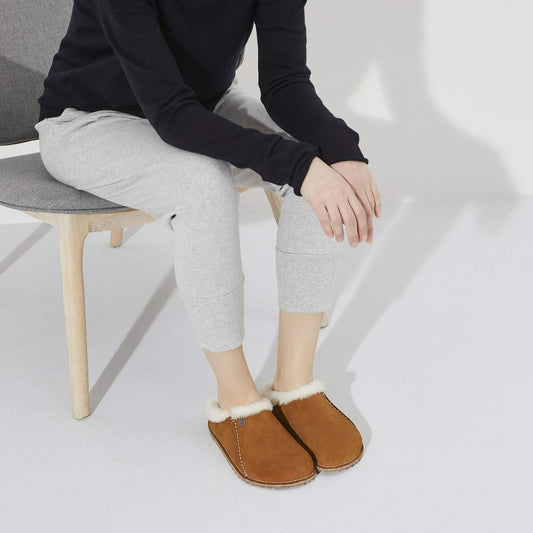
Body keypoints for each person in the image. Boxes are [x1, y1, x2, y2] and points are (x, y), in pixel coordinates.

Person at [35, 0, 382, 488]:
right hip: (89, 122)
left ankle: (295, 383)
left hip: (198, 105)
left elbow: (285, 82)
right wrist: (298, 165)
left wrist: (343, 152)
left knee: (318, 162)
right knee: (205, 186)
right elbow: (169, 114)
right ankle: (236, 402)